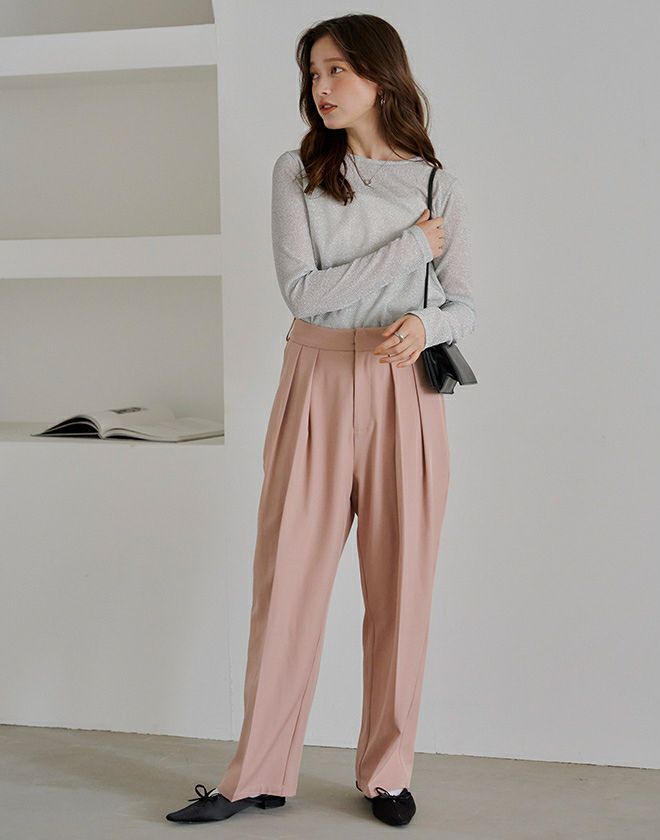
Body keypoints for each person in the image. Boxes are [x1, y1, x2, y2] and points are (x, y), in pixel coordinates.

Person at [166, 11, 475, 829]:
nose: (322, 87)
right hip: (316, 380)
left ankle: (388, 774)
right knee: (287, 583)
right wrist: (409, 250)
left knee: (402, 589)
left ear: (381, 77)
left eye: (337, 69)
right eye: (313, 72)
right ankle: (257, 773)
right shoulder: (298, 171)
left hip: (406, 393)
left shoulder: (437, 184)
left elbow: (466, 303)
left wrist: (426, 325)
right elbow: (304, 293)